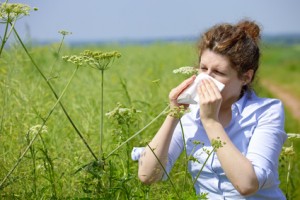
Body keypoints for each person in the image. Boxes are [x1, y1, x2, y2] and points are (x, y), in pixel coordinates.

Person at [133, 20, 287, 199]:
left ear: (246, 77)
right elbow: (148, 176)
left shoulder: (266, 111)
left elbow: (247, 185)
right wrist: (174, 113)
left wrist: (211, 122)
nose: (205, 79)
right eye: (203, 68)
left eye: (219, 73)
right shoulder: (190, 113)